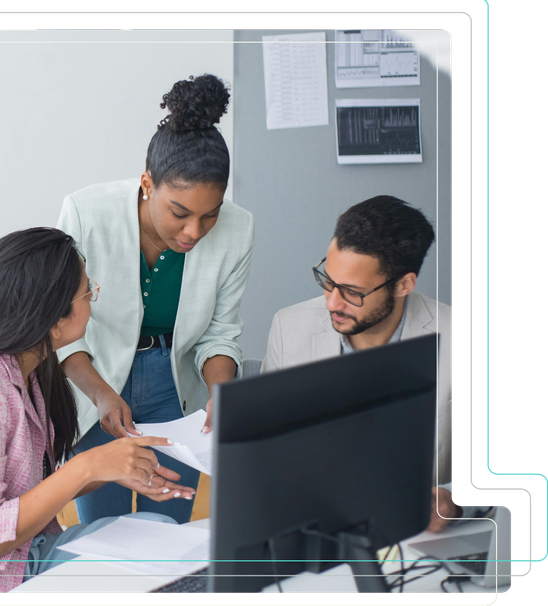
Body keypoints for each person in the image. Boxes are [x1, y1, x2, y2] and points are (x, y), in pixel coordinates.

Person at [0, 228, 195, 593]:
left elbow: (26, 492)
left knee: (160, 532)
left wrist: (110, 471)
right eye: (86, 289)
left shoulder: (23, 366)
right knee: (158, 572)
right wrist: (86, 466)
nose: (94, 294)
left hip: (15, 558)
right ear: (55, 320)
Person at [56, 74, 254, 524]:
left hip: (175, 388)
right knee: (101, 529)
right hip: (95, 377)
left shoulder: (239, 230)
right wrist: (103, 395)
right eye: (180, 213)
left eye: (210, 215)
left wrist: (222, 393)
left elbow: (221, 333)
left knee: (166, 524)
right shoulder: (87, 214)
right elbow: (59, 328)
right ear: (148, 183)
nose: (194, 232)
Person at [261, 195, 487, 533]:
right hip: (315, 532)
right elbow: (264, 451)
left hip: (418, 541)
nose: (332, 302)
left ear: (403, 285)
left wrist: (452, 502)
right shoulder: (288, 328)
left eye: (353, 292)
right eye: (328, 281)